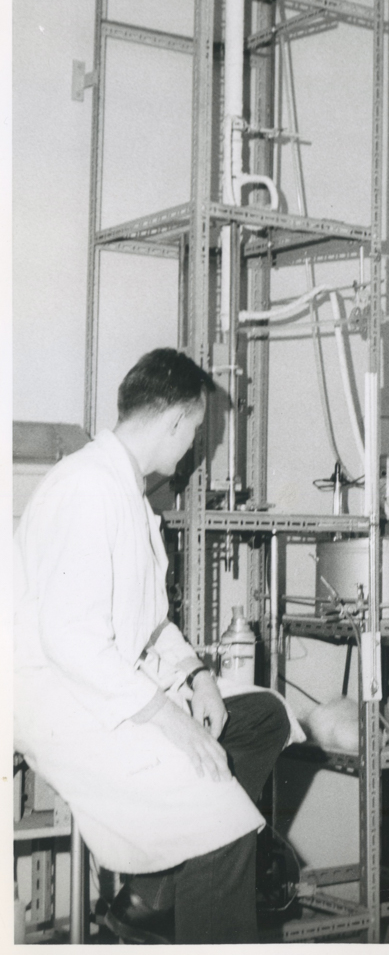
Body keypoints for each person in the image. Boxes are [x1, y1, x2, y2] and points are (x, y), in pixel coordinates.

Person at [14, 348, 303, 943]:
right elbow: (71, 641)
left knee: (262, 717)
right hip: (68, 706)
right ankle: (189, 875)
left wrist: (198, 677)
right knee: (221, 821)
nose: (194, 445)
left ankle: (151, 896)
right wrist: (173, 723)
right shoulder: (88, 489)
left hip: (114, 689)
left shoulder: (128, 494)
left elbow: (149, 621)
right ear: (175, 420)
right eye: (196, 430)